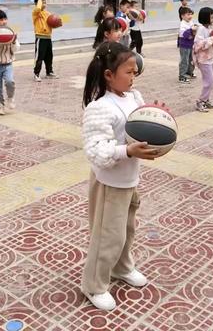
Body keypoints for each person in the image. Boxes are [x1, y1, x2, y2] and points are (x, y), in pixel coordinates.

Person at [81, 41, 158, 311]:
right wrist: (127, 151)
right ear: (109, 75)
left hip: (129, 180)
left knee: (127, 230)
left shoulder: (134, 97)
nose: (133, 77)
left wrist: (157, 117)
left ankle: (122, 268)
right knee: (107, 236)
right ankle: (94, 284)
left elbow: (140, 124)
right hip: (109, 184)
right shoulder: (100, 108)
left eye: (135, 71)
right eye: (128, 72)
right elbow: (96, 151)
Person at [193, 7, 213, 112]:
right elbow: (199, 45)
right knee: (209, 82)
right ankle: (200, 101)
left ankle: (206, 100)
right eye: (211, 17)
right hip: (204, 60)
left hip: (210, 58)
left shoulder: (210, 28)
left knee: (212, 81)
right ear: (205, 18)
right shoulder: (201, 29)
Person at [32, 0, 57, 82]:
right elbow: (38, 9)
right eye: (42, 2)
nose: (44, 3)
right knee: (39, 57)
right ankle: (36, 74)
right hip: (40, 38)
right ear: (37, 3)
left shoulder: (47, 13)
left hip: (48, 37)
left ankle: (49, 72)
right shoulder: (36, 12)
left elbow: (52, 23)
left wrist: (57, 23)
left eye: (45, 2)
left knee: (49, 56)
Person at [178, 6, 196, 83]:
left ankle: (189, 72)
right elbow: (184, 34)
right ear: (182, 16)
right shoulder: (182, 24)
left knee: (191, 60)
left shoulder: (191, 22)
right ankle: (182, 75)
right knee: (184, 61)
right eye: (188, 14)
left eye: (191, 14)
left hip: (191, 45)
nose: (190, 16)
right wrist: (191, 30)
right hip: (184, 46)